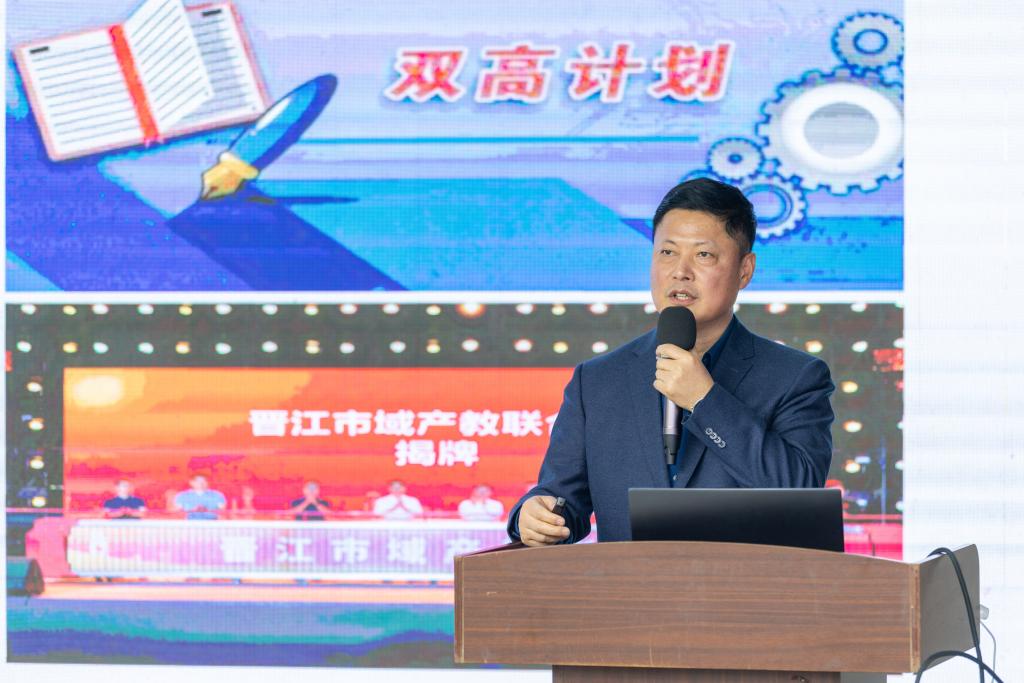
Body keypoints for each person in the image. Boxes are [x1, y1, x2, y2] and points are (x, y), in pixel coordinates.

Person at [509, 178, 835, 546]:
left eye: (703, 255)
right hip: (630, 583)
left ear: (745, 270)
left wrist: (705, 400)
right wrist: (534, 515)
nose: (681, 271)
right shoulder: (597, 381)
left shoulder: (795, 377)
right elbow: (561, 499)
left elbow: (800, 493)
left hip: (744, 583)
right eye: (667, 252)